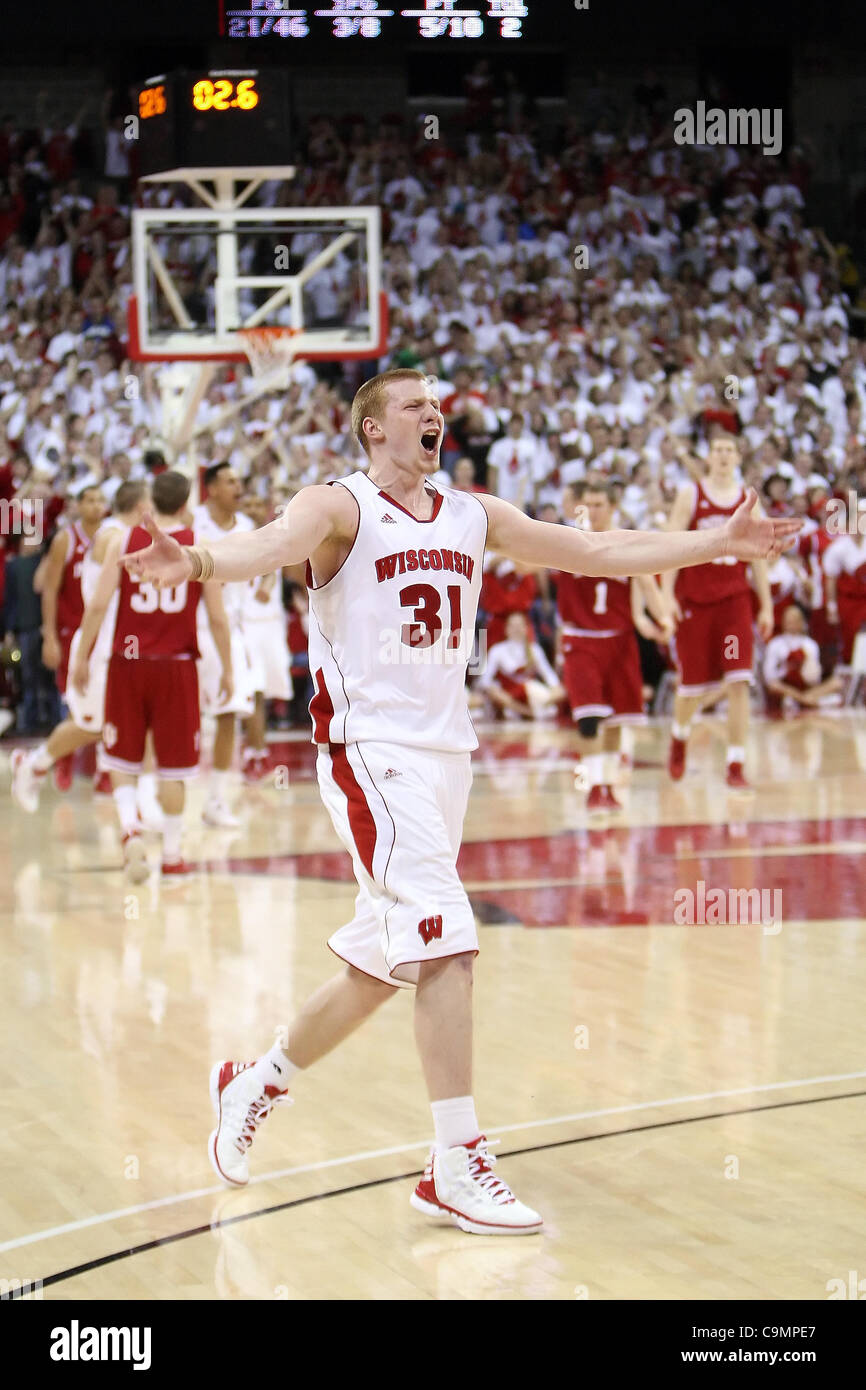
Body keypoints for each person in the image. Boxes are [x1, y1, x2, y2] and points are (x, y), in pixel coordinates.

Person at [122, 368, 799, 1235]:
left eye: (437, 404)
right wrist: (203, 561)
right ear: (373, 429)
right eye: (413, 405)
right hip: (370, 752)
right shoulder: (338, 506)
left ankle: (254, 1083)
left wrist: (713, 544)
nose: (434, 413)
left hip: (447, 759)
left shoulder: (476, 514)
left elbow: (595, 551)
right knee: (449, 945)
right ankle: (455, 1162)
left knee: (379, 968)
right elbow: (269, 542)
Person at [72, 470, 232, 880]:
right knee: (174, 767)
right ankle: (174, 855)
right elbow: (216, 617)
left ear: (150, 503)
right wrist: (229, 669)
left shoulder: (125, 540)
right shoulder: (199, 544)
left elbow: (97, 605)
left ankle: (130, 830)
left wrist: (83, 657)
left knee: (122, 756)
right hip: (177, 666)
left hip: (129, 662)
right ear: (185, 504)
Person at [10, 480, 149, 814]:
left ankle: (136, 803)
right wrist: (54, 638)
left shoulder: (116, 533)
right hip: (93, 642)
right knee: (91, 723)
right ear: (142, 506)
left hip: (115, 643)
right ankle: (35, 762)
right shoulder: (111, 537)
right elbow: (55, 590)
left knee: (124, 722)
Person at [661, 433, 775, 788]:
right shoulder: (690, 494)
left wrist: (766, 605)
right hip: (695, 601)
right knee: (691, 687)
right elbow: (670, 546)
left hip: (734, 603)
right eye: (717, 449)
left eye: (729, 449)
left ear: (738, 456)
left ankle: (736, 764)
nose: (723, 455)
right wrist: (666, 595)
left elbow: (758, 557)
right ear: (708, 456)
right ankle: (679, 735)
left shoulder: (748, 500)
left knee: (739, 680)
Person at [556, 482, 671, 810]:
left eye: (599, 503)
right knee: (589, 717)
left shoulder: (624, 543)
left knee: (618, 720)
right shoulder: (567, 542)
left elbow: (648, 583)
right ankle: (592, 785)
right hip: (581, 640)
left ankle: (607, 784)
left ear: (613, 506)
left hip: (619, 642)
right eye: (588, 503)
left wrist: (663, 620)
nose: (593, 509)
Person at [193, 463, 257, 825]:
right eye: (230, 480)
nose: (238, 485)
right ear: (212, 488)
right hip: (194, 626)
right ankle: (152, 795)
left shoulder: (248, 528)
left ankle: (215, 800)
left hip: (231, 627)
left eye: (239, 479)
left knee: (230, 711)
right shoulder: (194, 521)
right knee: (181, 714)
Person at [37, 483, 105, 784]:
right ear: (78, 506)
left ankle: (106, 768)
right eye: (89, 500)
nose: (96, 505)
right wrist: (49, 636)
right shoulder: (66, 539)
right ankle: (62, 759)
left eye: (100, 499)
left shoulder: (112, 538)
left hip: (103, 634)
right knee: (73, 701)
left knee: (109, 700)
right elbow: (49, 590)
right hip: (71, 633)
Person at [239, 494, 292, 781]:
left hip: (271, 626)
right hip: (246, 625)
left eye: (255, 504)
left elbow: (275, 570)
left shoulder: (277, 537)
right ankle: (254, 754)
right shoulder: (236, 539)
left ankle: (257, 750)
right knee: (254, 692)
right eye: (247, 504)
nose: (252, 508)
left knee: (267, 693)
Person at [477, 610, 564, 719]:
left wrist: (554, 690)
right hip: (508, 697)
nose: (516, 629)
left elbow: (550, 676)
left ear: (526, 628)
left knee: (560, 691)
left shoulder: (534, 649)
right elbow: (485, 681)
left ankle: (533, 710)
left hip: (532, 696)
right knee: (493, 691)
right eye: (513, 625)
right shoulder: (497, 650)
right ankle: (526, 712)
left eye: (519, 625)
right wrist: (497, 693)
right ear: (506, 629)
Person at [762, 604, 843, 717]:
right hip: (785, 688)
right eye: (788, 620)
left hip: (806, 687)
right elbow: (769, 678)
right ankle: (805, 700)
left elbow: (814, 677)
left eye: (795, 620)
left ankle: (805, 699)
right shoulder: (775, 644)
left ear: (801, 623)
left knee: (837, 682)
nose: (791, 623)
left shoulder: (810, 645)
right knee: (774, 686)